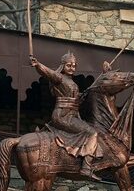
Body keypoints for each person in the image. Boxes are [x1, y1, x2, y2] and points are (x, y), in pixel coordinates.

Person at [29, 52, 101, 180]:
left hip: (72, 115)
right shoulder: (59, 78)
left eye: (74, 66)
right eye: (69, 65)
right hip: (62, 116)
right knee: (92, 133)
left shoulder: (71, 81)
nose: (72, 68)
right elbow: (48, 73)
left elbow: (73, 100)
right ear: (63, 66)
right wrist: (38, 65)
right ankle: (86, 167)